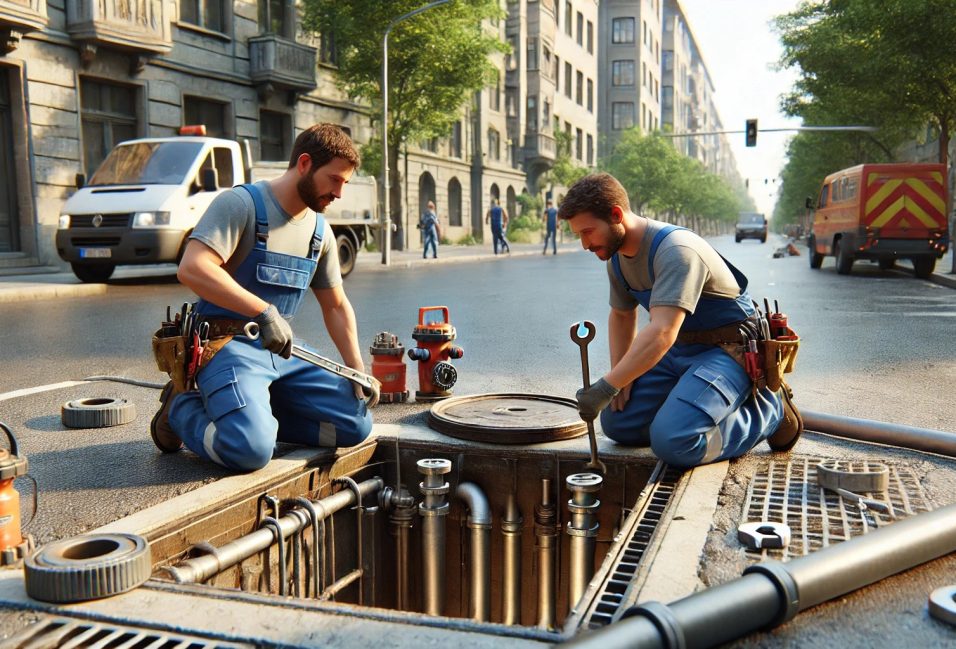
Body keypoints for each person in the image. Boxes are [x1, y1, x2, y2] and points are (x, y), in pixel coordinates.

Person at [150, 123, 375, 472]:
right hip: (224, 347)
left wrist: (357, 371)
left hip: (280, 353)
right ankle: (182, 408)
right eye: (334, 180)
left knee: (354, 425)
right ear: (304, 164)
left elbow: (336, 305)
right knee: (250, 451)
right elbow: (192, 268)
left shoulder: (320, 232)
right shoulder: (240, 205)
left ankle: (255, 416)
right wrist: (264, 312)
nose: (340, 193)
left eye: (344, 183)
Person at [560, 173, 802, 469]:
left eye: (588, 231)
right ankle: (689, 411)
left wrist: (606, 387)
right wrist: (621, 378)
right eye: (578, 235)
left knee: (676, 442)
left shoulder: (676, 250)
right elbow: (622, 316)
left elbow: (662, 331)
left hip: (729, 351)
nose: (585, 244)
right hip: (679, 350)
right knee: (618, 423)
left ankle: (771, 412)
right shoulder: (616, 259)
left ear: (616, 215)